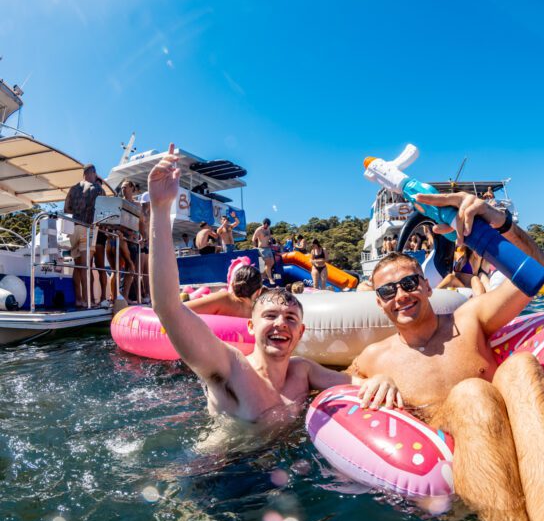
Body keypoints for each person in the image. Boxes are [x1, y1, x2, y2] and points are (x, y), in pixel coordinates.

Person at [349, 190, 544, 521]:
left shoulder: (468, 318)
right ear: (379, 302)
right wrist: (366, 383)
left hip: (526, 435)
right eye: (389, 291)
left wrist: (499, 223)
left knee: (522, 366)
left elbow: (537, 273)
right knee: (473, 392)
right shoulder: (374, 358)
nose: (401, 295)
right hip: (467, 453)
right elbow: (329, 387)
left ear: (425, 283)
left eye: (408, 283)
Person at [147, 145, 401, 424]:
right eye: (270, 316)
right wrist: (160, 210)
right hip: (225, 465)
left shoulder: (302, 371)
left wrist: (383, 379)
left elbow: (356, 381)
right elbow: (168, 308)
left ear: (301, 331)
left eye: (290, 318)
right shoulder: (229, 366)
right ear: (251, 325)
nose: (281, 323)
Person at [63, 163, 104, 307]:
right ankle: (88, 301)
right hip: (88, 228)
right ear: (92, 173)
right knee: (87, 265)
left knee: (77, 266)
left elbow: (67, 208)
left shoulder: (73, 189)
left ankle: (79, 299)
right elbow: (103, 212)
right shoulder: (98, 189)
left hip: (74, 227)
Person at [106, 180, 139, 304]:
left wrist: (141, 238)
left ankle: (125, 297)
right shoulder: (118, 204)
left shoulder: (137, 205)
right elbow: (115, 222)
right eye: (122, 188)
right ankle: (113, 296)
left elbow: (139, 223)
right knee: (117, 269)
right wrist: (125, 231)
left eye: (125, 187)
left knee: (131, 270)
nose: (123, 189)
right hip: (121, 238)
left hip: (132, 240)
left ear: (132, 187)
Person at [185, 265, 264, 317]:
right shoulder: (259, 314)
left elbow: (179, 311)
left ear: (232, 285)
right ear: (258, 292)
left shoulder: (225, 300)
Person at [252, 218, 275, 284]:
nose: (267, 227)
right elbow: (253, 239)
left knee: (272, 263)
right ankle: (270, 279)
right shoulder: (259, 229)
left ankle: (263, 275)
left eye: (268, 226)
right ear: (264, 224)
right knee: (268, 263)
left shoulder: (268, 229)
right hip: (262, 248)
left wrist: (270, 241)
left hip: (268, 248)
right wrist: (254, 247)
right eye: (267, 225)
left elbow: (270, 237)